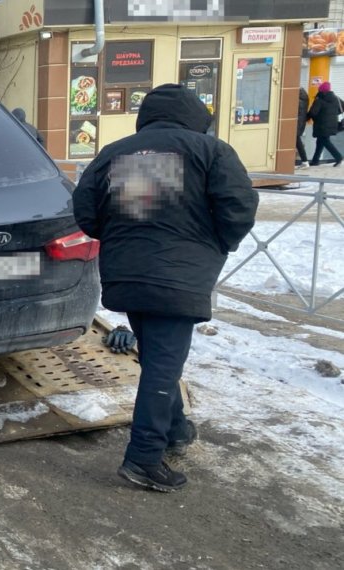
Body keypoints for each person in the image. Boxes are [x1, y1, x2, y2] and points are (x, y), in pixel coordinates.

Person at [72, 84, 258, 492]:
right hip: (179, 276)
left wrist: (123, 238)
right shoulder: (209, 151)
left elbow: (85, 212)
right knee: (162, 363)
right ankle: (143, 458)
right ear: (195, 116)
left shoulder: (116, 152)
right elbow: (239, 208)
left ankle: (175, 429)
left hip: (128, 273)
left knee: (158, 354)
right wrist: (215, 242)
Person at [308, 82, 343, 167]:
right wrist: (333, 114)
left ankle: (338, 157)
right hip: (332, 123)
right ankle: (315, 160)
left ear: (321, 90)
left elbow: (313, 112)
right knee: (320, 141)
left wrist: (306, 116)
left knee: (325, 141)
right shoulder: (336, 98)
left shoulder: (319, 99)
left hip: (321, 125)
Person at [297, 87, 310, 169]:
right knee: (297, 142)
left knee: (298, 142)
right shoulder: (304, 99)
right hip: (301, 123)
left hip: (297, 123)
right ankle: (305, 161)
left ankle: (305, 161)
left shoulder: (298, 101)